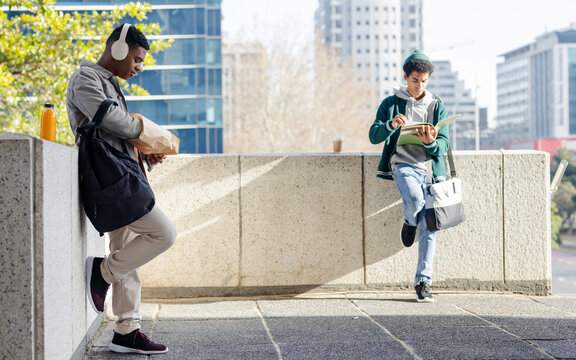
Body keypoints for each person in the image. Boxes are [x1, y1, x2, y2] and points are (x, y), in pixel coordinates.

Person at [66, 23, 177, 354]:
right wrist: (146, 132)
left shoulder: (110, 85)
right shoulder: (85, 79)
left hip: (121, 177)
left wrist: (146, 152)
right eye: (137, 59)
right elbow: (111, 122)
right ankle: (103, 272)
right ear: (117, 49)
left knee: (127, 249)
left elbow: (117, 138)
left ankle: (127, 330)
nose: (138, 67)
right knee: (163, 234)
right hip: (108, 183)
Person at [368, 50, 450, 303]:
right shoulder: (391, 103)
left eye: (424, 81)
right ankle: (409, 221)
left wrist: (432, 142)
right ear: (405, 77)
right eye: (415, 80)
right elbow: (373, 136)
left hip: (431, 171)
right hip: (403, 163)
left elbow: (444, 145)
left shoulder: (436, 106)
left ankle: (423, 282)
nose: (419, 86)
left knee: (430, 227)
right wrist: (391, 125)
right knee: (414, 202)